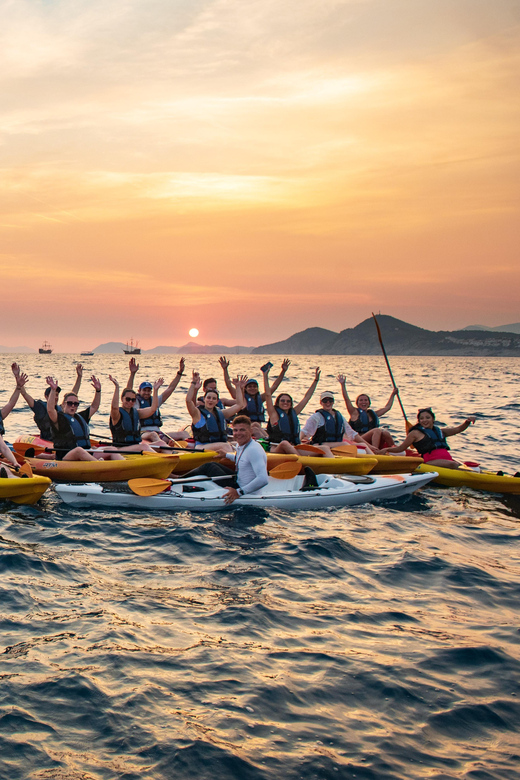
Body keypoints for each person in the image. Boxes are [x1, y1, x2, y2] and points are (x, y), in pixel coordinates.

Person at [183, 415, 269, 505]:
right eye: (236, 430)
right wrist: (226, 455)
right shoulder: (241, 445)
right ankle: (180, 480)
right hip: (238, 480)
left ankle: (178, 480)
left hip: (245, 491)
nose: (238, 433)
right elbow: (242, 459)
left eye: (242, 430)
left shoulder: (254, 450)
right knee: (212, 464)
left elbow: (263, 479)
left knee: (209, 467)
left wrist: (239, 492)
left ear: (251, 431)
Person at [46, 376, 123, 461]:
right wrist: (53, 390)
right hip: (66, 456)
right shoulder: (59, 418)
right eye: (70, 403)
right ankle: (98, 465)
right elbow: (50, 410)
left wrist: (98, 391)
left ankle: (124, 466)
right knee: (79, 450)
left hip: (86, 453)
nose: (72, 406)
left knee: (112, 449)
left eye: (75, 404)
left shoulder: (80, 417)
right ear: (63, 404)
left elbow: (94, 407)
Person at [379, 408, 476, 469]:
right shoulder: (415, 433)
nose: (424, 420)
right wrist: (386, 449)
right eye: (422, 418)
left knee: (466, 467)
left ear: (433, 419)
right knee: (454, 465)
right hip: (430, 462)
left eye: (427, 418)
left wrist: (467, 422)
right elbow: (400, 448)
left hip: (447, 461)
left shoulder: (441, 431)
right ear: (419, 421)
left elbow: (458, 429)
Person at [219, 356, 291, 436]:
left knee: (256, 425)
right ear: (245, 388)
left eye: (254, 386)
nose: (252, 388)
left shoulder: (261, 398)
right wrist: (225, 370)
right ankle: (267, 442)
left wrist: (283, 371)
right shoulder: (241, 398)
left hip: (256, 428)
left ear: (257, 388)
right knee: (255, 427)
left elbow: (275, 386)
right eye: (250, 386)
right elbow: (229, 386)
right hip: (244, 430)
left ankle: (269, 439)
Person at [14, 362, 83, 442]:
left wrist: (79, 377)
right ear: (46, 397)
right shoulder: (40, 408)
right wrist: (17, 376)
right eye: (53, 394)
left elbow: (73, 395)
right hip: (47, 441)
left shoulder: (61, 408)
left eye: (57, 395)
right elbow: (24, 394)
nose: (56, 397)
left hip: (61, 440)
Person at [126, 357, 188, 443]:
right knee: (153, 435)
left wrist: (180, 373)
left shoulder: (155, 401)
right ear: (139, 391)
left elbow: (171, 388)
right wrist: (132, 374)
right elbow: (127, 391)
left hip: (158, 433)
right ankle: (166, 448)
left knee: (184, 434)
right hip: (142, 434)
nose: (146, 393)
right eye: (144, 390)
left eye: (148, 391)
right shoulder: (134, 401)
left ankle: (192, 451)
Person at [263, 365, 320, 454]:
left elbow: (307, 397)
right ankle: (302, 462)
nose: (285, 402)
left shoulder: (294, 412)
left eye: (288, 401)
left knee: (324, 448)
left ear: (291, 404)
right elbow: (268, 395)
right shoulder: (274, 414)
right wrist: (265, 376)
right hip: (277, 448)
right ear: (278, 403)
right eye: (282, 401)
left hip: (294, 447)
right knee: (285, 443)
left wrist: (316, 380)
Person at [301, 391, 377, 457]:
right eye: (325, 401)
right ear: (321, 403)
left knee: (363, 445)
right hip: (321, 444)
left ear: (333, 402)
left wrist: (369, 446)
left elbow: (352, 434)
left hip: (337, 444)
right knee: (345, 444)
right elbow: (305, 432)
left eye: (330, 400)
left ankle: (377, 461)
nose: (328, 403)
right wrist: (297, 442)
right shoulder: (316, 417)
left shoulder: (339, 416)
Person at [186, 371, 247, 454]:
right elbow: (188, 401)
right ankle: (236, 464)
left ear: (217, 401)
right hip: (201, 446)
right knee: (225, 446)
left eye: (214, 399)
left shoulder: (221, 413)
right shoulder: (197, 413)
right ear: (204, 399)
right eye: (209, 398)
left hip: (218, 444)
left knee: (241, 443)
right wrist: (193, 383)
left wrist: (238, 387)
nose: (211, 400)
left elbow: (239, 405)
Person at [337, 375, 398, 449]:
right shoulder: (354, 412)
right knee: (377, 430)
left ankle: (395, 450)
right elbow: (346, 399)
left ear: (369, 403)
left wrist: (393, 394)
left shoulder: (373, 414)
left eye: (366, 400)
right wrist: (343, 385)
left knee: (385, 433)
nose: (363, 402)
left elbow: (387, 407)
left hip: (371, 440)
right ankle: (375, 451)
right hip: (358, 440)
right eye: (361, 400)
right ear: (357, 403)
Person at [109, 377, 164, 450]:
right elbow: (114, 407)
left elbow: (153, 409)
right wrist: (117, 387)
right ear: (122, 399)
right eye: (128, 399)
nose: (130, 402)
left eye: (133, 400)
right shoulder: (117, 414)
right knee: (144, 446)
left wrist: (155, 390)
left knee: (161, 443)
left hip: (135, 446)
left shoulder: (137, 413)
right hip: (120, 448)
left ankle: (173, 456)